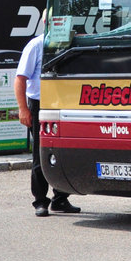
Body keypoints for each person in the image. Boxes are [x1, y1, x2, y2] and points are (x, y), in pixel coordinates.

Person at [16, 19, 80, 217]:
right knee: (41, 153)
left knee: (64, 152)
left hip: (62, 104)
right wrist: (23, 109)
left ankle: (60, 198)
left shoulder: (69, 44)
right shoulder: (36, 45)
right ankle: (40, 201)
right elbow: (20, 79)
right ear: (47, 23)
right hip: (39, 104)